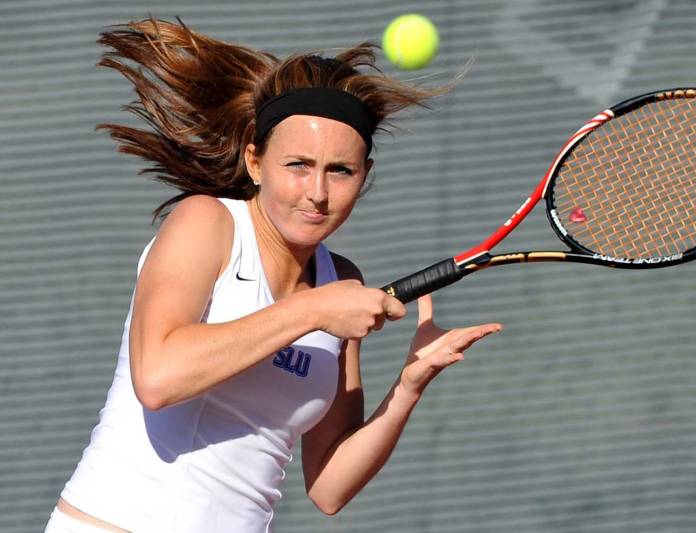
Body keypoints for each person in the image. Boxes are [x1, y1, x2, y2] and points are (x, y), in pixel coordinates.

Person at [45, 17, 501, 533]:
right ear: (255, 162)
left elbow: (328, 485)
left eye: (340, 171)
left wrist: (410, 384)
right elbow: (158, 378)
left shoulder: (340, 280)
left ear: (364, 176)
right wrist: (313, 310)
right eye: (298, 165)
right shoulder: (208, 223)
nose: (317, 192)